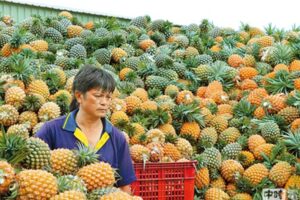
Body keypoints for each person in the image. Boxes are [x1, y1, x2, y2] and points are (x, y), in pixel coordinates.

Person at [36, 65, 136, 193]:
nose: (104, 102)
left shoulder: (117, 137)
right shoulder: (52, 130)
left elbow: (124, 187)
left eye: (108, 97)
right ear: (79, 96)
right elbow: (31, 171)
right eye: (98, 95)